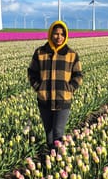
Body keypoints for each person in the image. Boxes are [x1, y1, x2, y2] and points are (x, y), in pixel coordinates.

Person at [28, 20, 83, 151]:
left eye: (62, 34)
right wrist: (38, 87)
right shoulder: (40, 52)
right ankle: (49, 159)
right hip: (44, 99)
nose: (59, 37)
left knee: (58, 133)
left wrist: (69, 89)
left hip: (62, 99)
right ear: (50, 34)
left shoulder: (71, 54)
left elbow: (78, 75)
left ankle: (57, 160)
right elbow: (31, 72)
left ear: (66, 35)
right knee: (48, 133)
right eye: (56, 34)